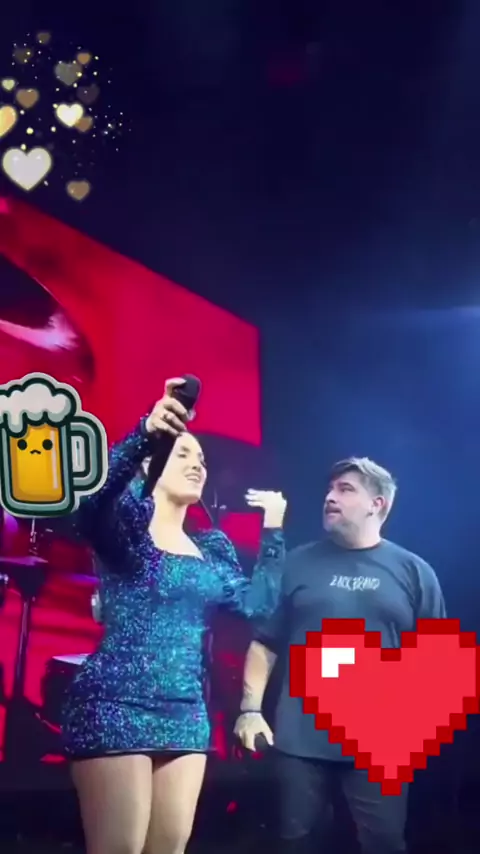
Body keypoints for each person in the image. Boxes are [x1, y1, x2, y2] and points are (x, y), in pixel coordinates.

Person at [61, 377, 287, 854]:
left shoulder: (212, 546)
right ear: (153, 463)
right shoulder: (127, 531)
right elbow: (91, 506)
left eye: (201, 459)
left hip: (184, 711)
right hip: (115, 703)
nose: (197, 464)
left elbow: (258, 606)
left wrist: (273, 531)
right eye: (182, 454)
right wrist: (146, 432)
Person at [234, 457, 446, 854]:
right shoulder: (297, 563)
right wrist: (250, 710)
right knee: (296, 844)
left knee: (384, 844)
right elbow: (265, 642)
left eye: (346, 490)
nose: (330, 497)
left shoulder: (414, 572)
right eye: (330, 489)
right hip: (299, 742)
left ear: (377, 504)